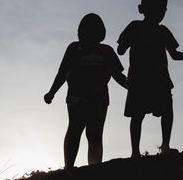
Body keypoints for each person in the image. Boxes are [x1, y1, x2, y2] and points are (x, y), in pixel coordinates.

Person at [117, 0, 183, 158]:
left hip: (159, 79)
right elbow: (120, 50)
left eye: (162, 9)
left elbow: (175, 55)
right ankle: (135, 152)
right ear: (142, 9)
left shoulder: (163, 31)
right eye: (155, 8)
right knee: (138, 114)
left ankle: (165, 146)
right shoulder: (135, 27)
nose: (159, 12)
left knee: (166, 111)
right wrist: (124, 44)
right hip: (140, 79)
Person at [44, 13, 127, 169]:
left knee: (94, 134)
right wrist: (52, 92)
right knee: (75, 129)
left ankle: (94, 168)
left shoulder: (106, 51)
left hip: (99, 99)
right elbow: (62, 73)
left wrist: (133, 87)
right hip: (77, 98)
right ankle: (69, 167)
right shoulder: (74, 48)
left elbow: (118, 75)